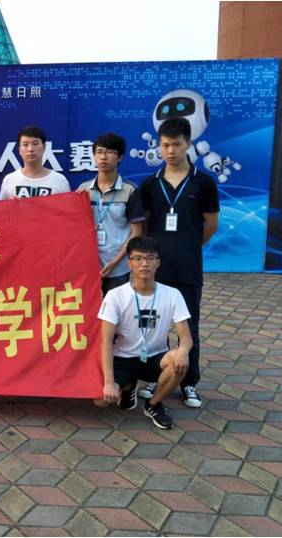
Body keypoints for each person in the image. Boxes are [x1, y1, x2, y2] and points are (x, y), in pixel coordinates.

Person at [136, 118, 219, 409]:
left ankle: (189, 382)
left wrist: (189, 246)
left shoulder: (203, 183)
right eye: (165, 145)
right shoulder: (150, 184)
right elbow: (144, 225)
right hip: (154, 270)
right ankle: (155, 376)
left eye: (176, 144)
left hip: (187, 268)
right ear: (159, 147)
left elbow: (211, 225)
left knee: (188, 326)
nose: (170, 151)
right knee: (153, 327)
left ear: (188, 144)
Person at [95, 236, 192, 430]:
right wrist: (109, 382)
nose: (144, 263)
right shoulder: (115, 296)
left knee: (180, 362)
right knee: (100, 400)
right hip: (122, 357)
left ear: (158, 262)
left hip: (155, 357)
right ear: (129, 263)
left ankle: (153, 404)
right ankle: (128, 386)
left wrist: (183, 350)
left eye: (150, 258)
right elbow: (105, 341)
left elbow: (186, 338)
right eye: (138, 258)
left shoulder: (172, 294)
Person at [77, 133, 144, 295]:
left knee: (115, 309)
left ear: (120, 157)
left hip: (117, 267)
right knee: (88, 309)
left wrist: (114, 262)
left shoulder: (130, 190)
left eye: (110, 152)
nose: (103, 157)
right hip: (87, 264)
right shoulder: (83, 190)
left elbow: (136, 232)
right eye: (99, 152)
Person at [0, 126, 70, 200]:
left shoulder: (59, 180)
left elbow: (68, 206)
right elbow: (1, 207)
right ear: (19, 150)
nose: (30, 149)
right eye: (25, 145)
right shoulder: (9, 180)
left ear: (44, 147)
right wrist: (12, 205)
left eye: (35, 144)